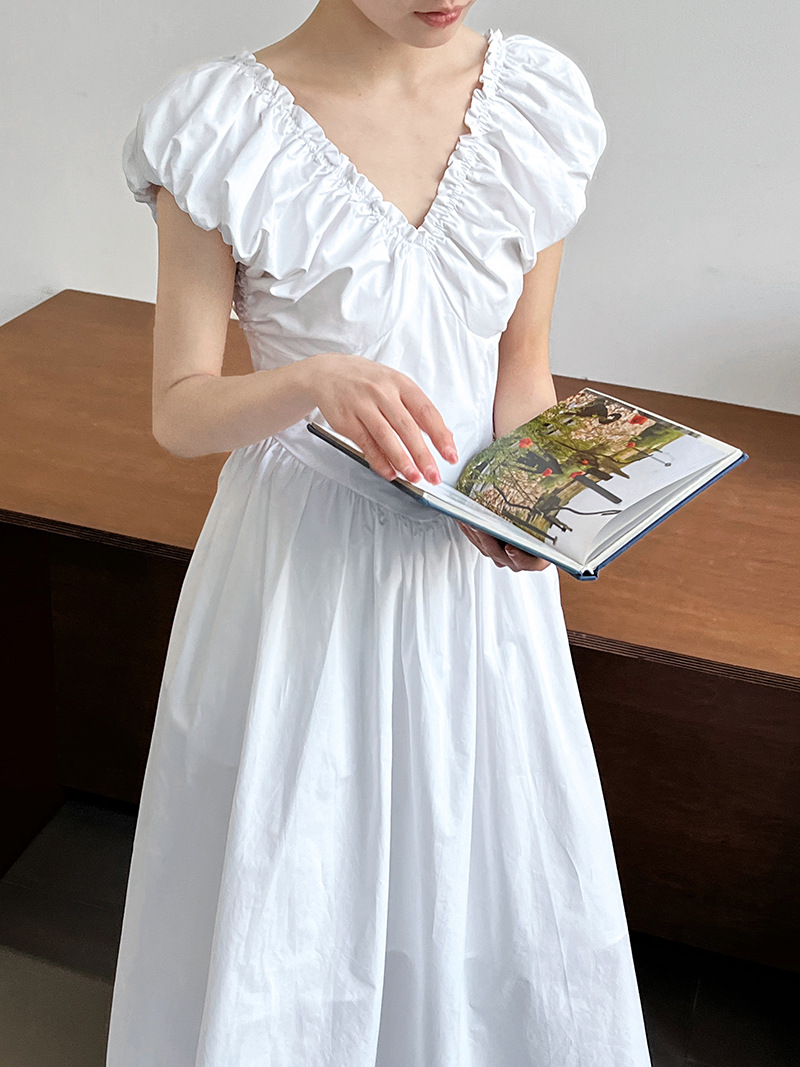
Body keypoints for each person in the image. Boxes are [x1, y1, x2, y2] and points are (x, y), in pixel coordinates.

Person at [107, 1, 653, 1063]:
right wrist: (310, 380)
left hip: (470, 578)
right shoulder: (217, 126)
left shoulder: (532, 104)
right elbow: (179, 411)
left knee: (486, 867)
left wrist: (530, 503)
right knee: (300, 875)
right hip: (301, 575)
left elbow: (521, 370)